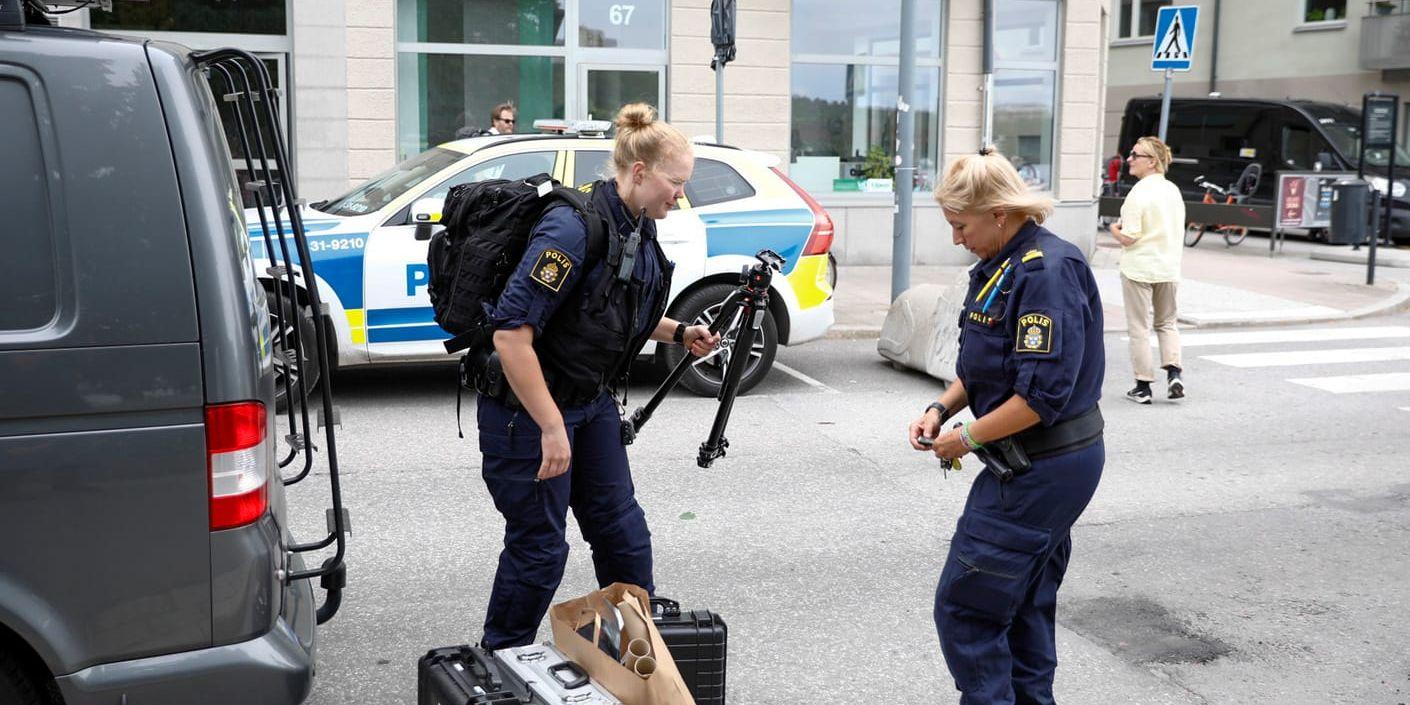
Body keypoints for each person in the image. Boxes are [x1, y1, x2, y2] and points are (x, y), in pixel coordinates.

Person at [476, 103, 720, 650]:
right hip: (530, 415)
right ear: (639, 172)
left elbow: (610, 310)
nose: (679, 194)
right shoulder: (570, 226)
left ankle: (635, 655)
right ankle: (500, 661)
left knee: (622, 533)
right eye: (675, 182)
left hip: (590, 406)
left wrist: (680, 333)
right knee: (540, 549)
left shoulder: (636, 223)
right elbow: (511, 335)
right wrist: (551, 427)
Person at [908, 147, 1105, 705]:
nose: (955, 239)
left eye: (959, 225)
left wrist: (966, 437)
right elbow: (989, 367)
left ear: (998, 213)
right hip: (1035, 462)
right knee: (1020, 605)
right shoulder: (1004, 264)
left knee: (968, 607)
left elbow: (1039, 397)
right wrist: (941, 409)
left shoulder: (1046, 272)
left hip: (1044, 463)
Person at [1109, 136, 1185, 404]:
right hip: (1168, 267)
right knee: (1166, 323)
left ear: (1152, 162)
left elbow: (1130, 236)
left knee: (1139, 327)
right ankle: (1174, 372)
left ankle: (1143, 386)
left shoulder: (1138, 194)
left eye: (1135, 155)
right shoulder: (1173, 191)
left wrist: (1113, 230)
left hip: (1139, 268)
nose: (1129, 159)